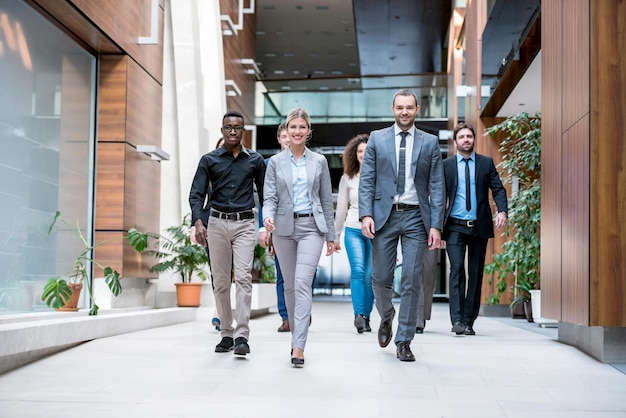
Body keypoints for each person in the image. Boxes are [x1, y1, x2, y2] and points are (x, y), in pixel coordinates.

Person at [359, 89, 444, 362]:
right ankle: (386, 317)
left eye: (409, 107)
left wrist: (436, 225)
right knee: (381, 278)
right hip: (384, 216)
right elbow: (367, 180)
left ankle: (404, 340)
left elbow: (438, 186)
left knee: (410, 278)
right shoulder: (377, 139)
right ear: (393, 109)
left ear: (417, 109)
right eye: (399, 108)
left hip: (417, 217)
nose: (404, 112)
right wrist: (365, 215)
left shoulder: (430, 143)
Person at [262, 108, 337, 367]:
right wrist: (267, 217)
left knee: (303, 282)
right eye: (292, 127)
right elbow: (269, 197)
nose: (297, 131)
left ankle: (298, 346)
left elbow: (327, 201)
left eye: (301, 127)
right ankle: (297, 333)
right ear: (286, 131)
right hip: (283, 229)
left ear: (308, 131)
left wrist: (331, 236)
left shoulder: (319, 161)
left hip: (311, 228)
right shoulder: (274, 162)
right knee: (291, 287)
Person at [189, 111, 266, 357]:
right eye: (228, 127)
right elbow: (196, 194)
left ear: (243, 131)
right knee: (221, 281)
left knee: (243, 277)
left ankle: (242, 335)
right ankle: (226, 334)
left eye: (237, 127)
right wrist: (198, 222)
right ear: (222, 130)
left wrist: (266, 226)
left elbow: (265, 196)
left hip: (244, 224)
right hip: (216, 224)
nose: (233, 131)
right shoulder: (209, 160)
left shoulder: (255, 161)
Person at [443, 122, 507, 336]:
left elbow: (498, 189)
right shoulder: (447, 166)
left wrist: (502, 211)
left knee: (476, 273)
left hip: (479, 226)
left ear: (473, 139)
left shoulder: (485, 163)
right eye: (462, 137)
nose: (466, 140)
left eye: (469, 136)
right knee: (457, 270)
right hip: (454, 226)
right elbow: (438, 196)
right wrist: (435, 228)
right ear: (456, 141)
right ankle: (458, 320)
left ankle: (470, 321)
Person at [334, 134, 374, 334]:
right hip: (353, 229)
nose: (363, 154)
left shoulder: (380, 176)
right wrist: (335, 236)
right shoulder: (347, 178)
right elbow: (341, 209)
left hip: (376, 232)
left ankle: (367, 315)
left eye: (367, 150)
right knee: (358, 271)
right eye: (359, 151)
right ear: (354, 154)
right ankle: (359, 315)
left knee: (371, 275)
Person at [258, 124, 291, 332]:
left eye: (291, 135)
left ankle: (301, 310)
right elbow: (265, 198)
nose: (288, 139)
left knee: (305, 274)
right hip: (278, 226)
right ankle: (286, 316)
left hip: (304, 225)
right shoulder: (269, 164)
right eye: (284, 136)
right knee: (282, 273)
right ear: (279, 139)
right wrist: (266, 227)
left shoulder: (309, 162)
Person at [416, 248, 438, 333]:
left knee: (429, 277)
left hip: (431, 238)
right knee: (414, 275)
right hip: (410, 235)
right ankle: (418, 320)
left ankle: (423, 314)